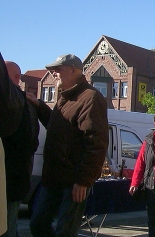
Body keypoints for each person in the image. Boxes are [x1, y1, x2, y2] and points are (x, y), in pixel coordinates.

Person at [27, 54, 109, 237]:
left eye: (58, 69)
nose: (53, 73)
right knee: (37, 223)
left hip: (73, 181)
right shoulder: (64, 97)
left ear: (74, 70)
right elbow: (59, 128)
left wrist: (83, 181)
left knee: (65, 231)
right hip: (53, 178)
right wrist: (39, 106)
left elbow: (96, 143)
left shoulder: (91, 98)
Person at [1, 61, 39, 237]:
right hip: (16, 179)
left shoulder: (19, 104)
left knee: (8, 228)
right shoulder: (26, 104)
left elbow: (28, 142)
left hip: (10, 179)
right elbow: (32, 142)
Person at [0, 53, 25, 235]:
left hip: (13, 176)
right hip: (12, 174)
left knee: (9, 226)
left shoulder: (18, 100)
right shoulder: (17, 101)